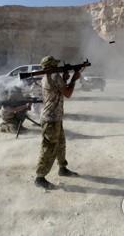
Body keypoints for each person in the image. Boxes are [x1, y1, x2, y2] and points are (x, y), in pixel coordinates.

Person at [35, 55, 81, 189]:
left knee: (61, 144)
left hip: (55, 117)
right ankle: (40, 177)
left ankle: (62, 168)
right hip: (51, 119)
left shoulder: (48, 77)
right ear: (51, 66)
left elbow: (59, 90)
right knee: (49, 147)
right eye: (55, 65)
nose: (57, 66)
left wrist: (65, 78)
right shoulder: (54, 77)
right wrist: (73, 79)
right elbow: (67, 93)